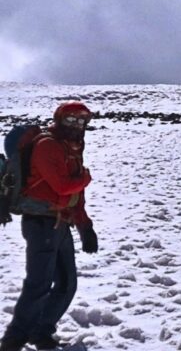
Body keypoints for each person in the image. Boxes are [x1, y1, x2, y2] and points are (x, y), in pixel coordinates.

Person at [1, 102, 97, 351]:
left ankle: (40, 331)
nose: (77, 126)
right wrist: (85, 177)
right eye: (71, 120)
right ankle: (14, 339)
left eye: (81, 121)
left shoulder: (72, 149)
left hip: (61, 223)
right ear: (59, 119)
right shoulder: (47, 145)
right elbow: (64, 186)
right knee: (39, 283)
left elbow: (75, 194)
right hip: (41, 223)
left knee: (66, 283)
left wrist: (85, 226)